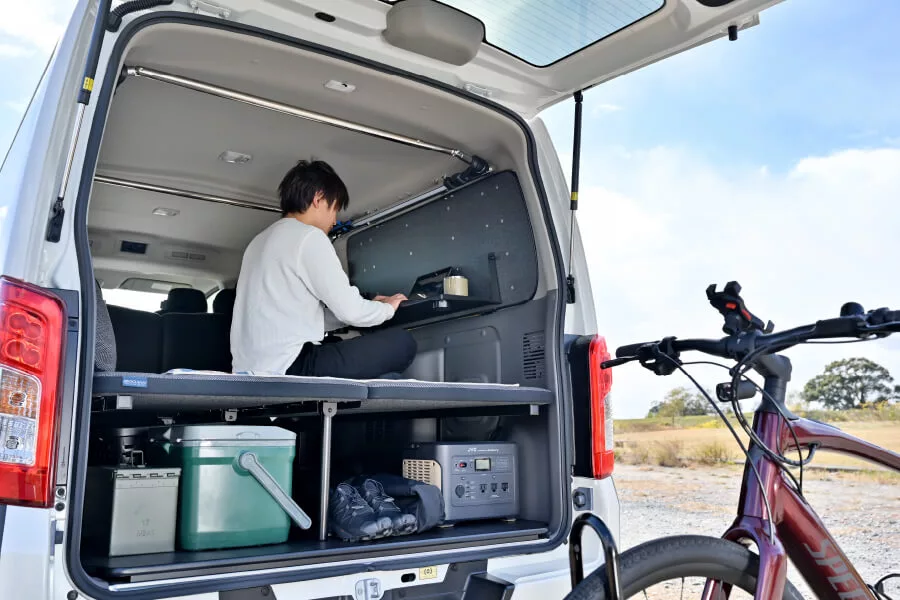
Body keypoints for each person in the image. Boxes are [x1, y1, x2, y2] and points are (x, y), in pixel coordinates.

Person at [230, 159, 416, 378]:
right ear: (318, 199)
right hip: (291, 366)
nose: (335, 221)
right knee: (402, 343)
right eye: (334, 209)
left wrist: (370, 305)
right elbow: (352, 311)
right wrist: (388, 309)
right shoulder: (308, 237)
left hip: (249, 371)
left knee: (380, 373)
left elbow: (302, 318)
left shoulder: (257, 243)